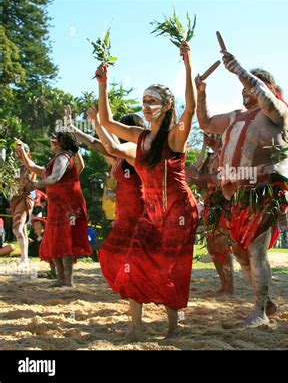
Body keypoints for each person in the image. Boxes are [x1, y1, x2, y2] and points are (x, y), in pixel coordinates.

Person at [96, 41, 198, 340]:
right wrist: (103, 84)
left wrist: (188, 63)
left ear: (166, 106)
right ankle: (136, 328)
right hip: (151, 213)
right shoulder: (139, 137)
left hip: (179, 210)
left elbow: (190, 107)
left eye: (152, 101)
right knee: (134, 262)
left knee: (170, 269)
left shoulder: (175, 137)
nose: (146, 106)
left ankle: (173, 328)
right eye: (143, 101)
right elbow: (106, 122)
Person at [195, 46, 288, 327]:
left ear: (266, 88)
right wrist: (201, 92)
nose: (245, 90)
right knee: (239, 251)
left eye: (251, 85)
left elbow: (267, 99)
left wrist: (240, 71)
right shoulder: (234, 116)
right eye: (243, 85)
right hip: (235, 196)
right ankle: (265, 301)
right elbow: (204, 123)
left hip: (263, 192)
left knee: (256, 250)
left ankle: (260, 311)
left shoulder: (277, 114)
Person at [71, 106, 146, 295]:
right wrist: (75, 129)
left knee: (134, 253)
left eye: (121, 126)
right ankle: (132, 287)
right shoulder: (118, 158)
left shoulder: (136, 153)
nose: (116, 129)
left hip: (139, 210)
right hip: (123, 212)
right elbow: (97, 143)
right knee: (115, 254)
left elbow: (106, 144)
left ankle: (138, 288)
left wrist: (97, 122)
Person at [18, 130, 92, 287]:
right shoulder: (55, 160)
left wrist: (35, 185)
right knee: (54, 239)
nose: (51, 139)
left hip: (68, 205)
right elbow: (31, 166)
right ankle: (61, 278)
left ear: (59, 143)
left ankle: (68, 279)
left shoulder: (63, 157)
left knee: (65, 240)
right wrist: (22, 150)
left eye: (54, 137)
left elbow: (55, 177)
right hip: (57, 205)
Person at [186, 133, 234, 295]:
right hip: (209, 204)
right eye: (207, 135)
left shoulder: (226, 155)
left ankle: (230, 285)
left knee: (222, 244)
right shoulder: (210, 157)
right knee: (212, 247)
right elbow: (206, 184)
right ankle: (223, 284)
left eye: (213, 134)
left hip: (222, 204)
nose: (208, 137)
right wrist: (193, 180)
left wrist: (197, 174)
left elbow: (221, 179)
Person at [11, 142, 36, 267]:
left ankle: (24, 259)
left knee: (17, 228)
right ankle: (24, 258)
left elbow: (26, 183)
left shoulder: (29, 166)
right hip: (16, 198)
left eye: (19, 151)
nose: (16, 153)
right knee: (23, 229)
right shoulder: (17, 167)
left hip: (25, 198)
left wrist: (14, 180)